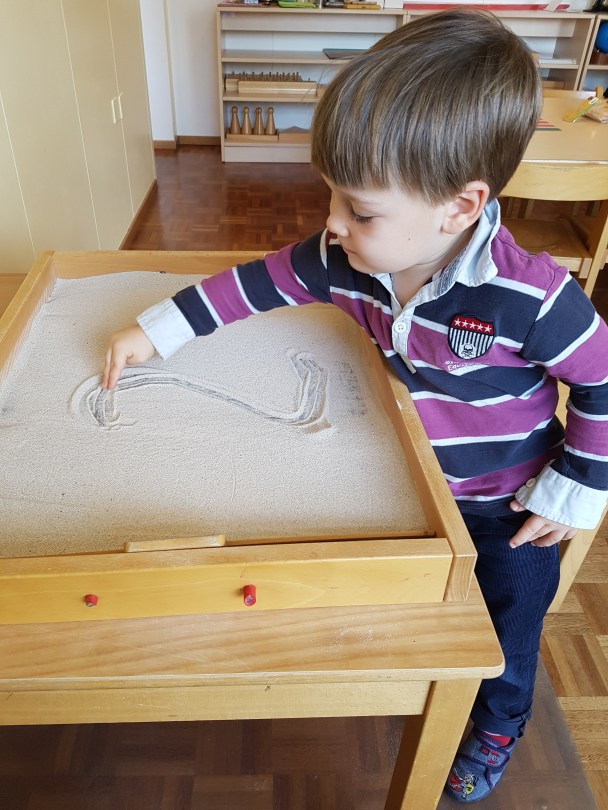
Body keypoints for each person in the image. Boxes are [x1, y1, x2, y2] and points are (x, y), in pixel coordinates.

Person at [102, 8, 608, 803]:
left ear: (460, 207)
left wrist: (573, 488)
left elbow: (604, 380)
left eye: (361, 210)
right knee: (369, 593)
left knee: (505, 637)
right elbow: (251, 286)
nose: (332, 222)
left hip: (507, 507)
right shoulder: (341, 257)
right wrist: (153, 331)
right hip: (405, 480)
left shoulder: (530, 294)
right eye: (332, 195)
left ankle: (499, 724)